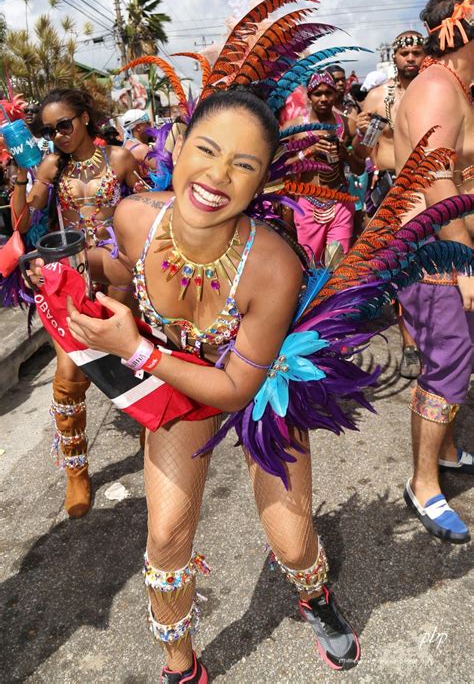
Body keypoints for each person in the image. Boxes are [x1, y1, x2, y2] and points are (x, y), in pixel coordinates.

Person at [46, 89, 362, 681]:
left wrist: (135, 350)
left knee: (292, 543)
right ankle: (180, 665)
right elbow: (125, 270)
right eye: (207, 150)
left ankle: (315, 596)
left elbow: (237, 388)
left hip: (259, 386)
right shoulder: (135, 215)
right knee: (166, 534)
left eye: (243, 165)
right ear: (178, 146)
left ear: (262, 182)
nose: (219, 176)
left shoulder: (273, 267)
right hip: (176, 383)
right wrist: (68, 270)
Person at [11, 88, 142, 519]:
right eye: (50, 131)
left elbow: (152, 208)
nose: (58, 136)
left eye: (64, 125)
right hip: (73, 281)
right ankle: (76, 474)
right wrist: (33, 177)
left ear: (84, 118)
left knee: (136, 362)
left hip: (121, 276)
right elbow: (25, 220)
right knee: (68, 376)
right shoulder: (51, 168)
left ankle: (155, 444)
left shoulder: (121, 160)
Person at [394, 0, 474, 543]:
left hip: (448, 249)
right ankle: (423, 484)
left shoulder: (455, 88)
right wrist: (465, 261)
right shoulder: (436, 90)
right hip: (437, 257)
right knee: (447, 367)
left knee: (456, 360)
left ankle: (443, 451)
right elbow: (433, 176)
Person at [354, 31, 426, 378]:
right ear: (394, 58)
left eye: (417, 52)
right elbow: (358, 158)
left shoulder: (438, 92)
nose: (411, 58)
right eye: (405, 53)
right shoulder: (377, 98)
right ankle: (410, 342)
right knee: (402, 268)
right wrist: (357, 133)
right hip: (391, 188)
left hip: (434, 185)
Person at [282, 71, 364, 263]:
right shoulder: (294, 128)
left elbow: (359, 168)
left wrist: (346, 153)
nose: (324, 98)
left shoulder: (346, 124)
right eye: (318, 94)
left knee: (336, 263)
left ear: (335, 94)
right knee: (311, 265)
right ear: (309, 96)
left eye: (328, 93)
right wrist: (307, 152)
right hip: (308, 205)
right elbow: (280, 166)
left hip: (341, 202)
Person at [121, 108, 156, 181]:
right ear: (138, 127)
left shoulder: (124, 147)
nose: (151, 126)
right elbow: (164, 173)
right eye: (148, 123)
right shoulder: (142, 149)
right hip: (150, 192)